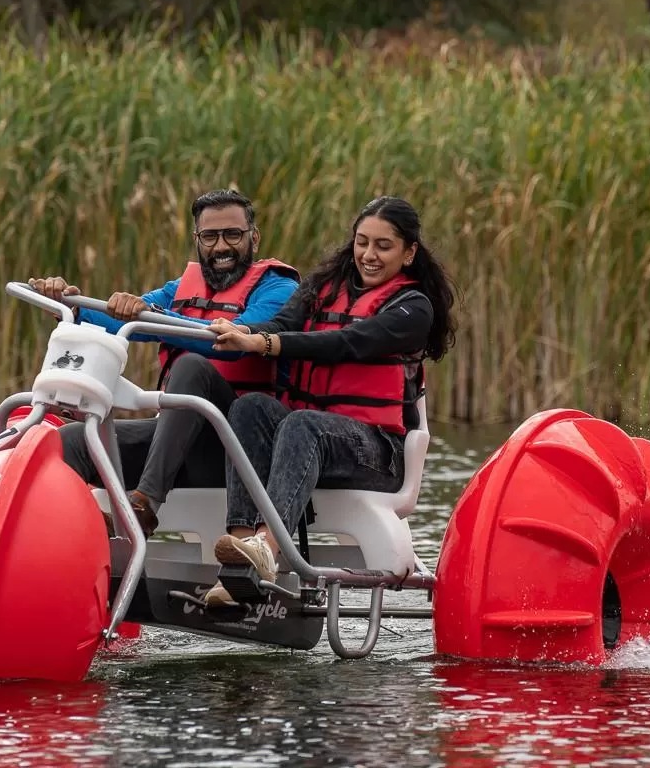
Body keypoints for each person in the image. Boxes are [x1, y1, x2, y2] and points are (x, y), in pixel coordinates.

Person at [200, 195, 456, 606]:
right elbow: (281, 325)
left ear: (409, 253)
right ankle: (241, 558)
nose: (368, 255)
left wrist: (266, 343)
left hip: (377, 453)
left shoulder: (413, 308)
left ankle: (269, 547)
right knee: (248, 408)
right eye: (362, 242)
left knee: (303, 423)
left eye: (383, 246)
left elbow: (350, 342)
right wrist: (240, 330)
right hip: (313, 440)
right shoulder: (322, 288)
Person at [29, 189, 298, 536]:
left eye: (233, 235)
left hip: (240, 451)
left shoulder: (280, 289)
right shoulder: (178, 290)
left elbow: (233, 345)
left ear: (254, 238)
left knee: (192, 367)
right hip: (176, 442)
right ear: (197, 240)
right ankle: (68, 544)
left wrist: (153, 315)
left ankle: (144, 506)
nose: (221, 248)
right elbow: (120, 323)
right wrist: (71, 306)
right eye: (210, 237)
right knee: (71, 440)